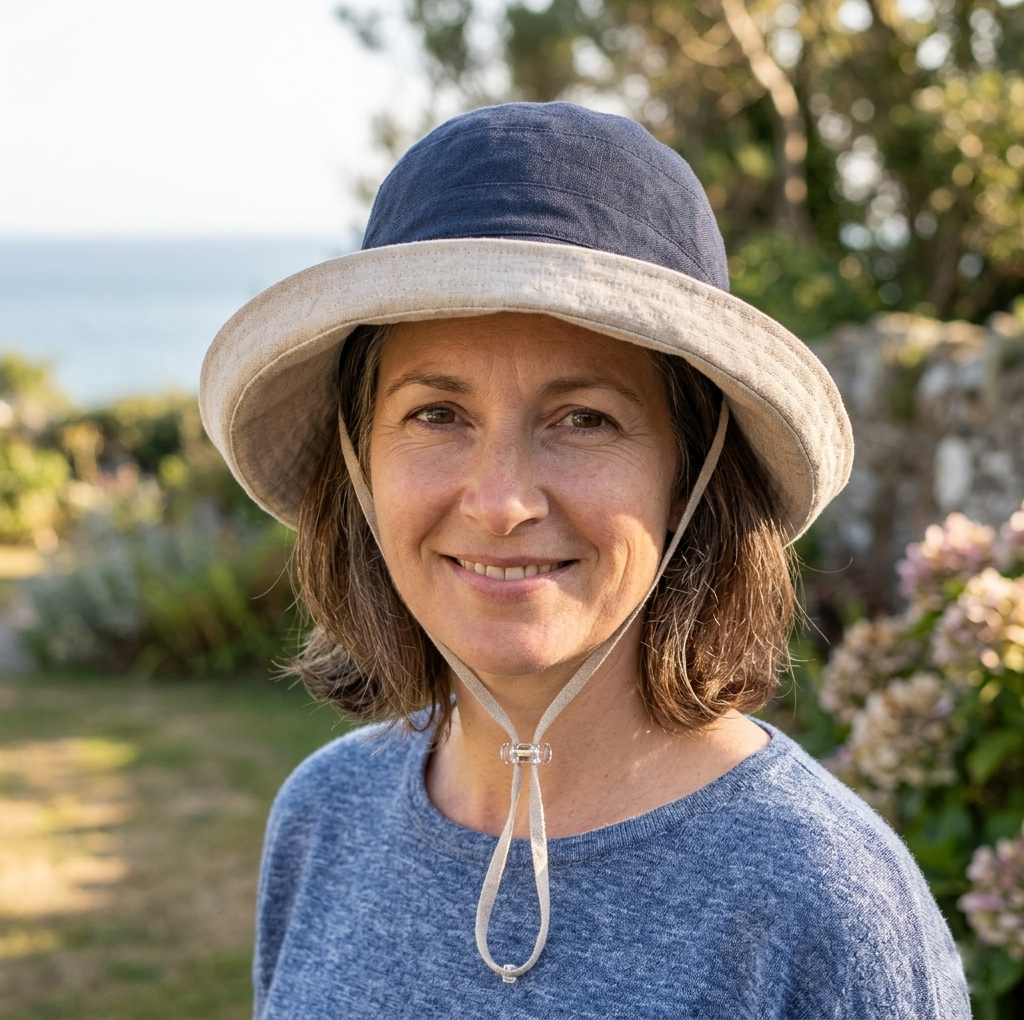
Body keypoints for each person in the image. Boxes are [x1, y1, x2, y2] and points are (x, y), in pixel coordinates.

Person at [200, 102, 970, 1019]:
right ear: (359, 461)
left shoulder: (822, 901)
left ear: (692, 474)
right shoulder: (325, 819)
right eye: (437, 414)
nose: (501, 501)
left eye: (584, 419)